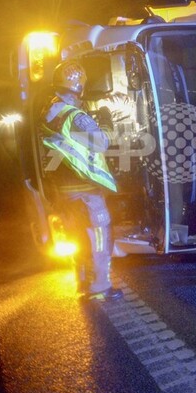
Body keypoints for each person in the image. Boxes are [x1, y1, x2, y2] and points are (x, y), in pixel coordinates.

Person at [41, 60, 123, 300]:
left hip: (63, 187)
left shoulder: (48, 110)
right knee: (100, 233)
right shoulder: (74, 116)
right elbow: (102, 143)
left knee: (78, 234)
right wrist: (106, 121)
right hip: (85, 187)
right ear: (79, 87)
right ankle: (100, 286)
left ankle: (82, 278)